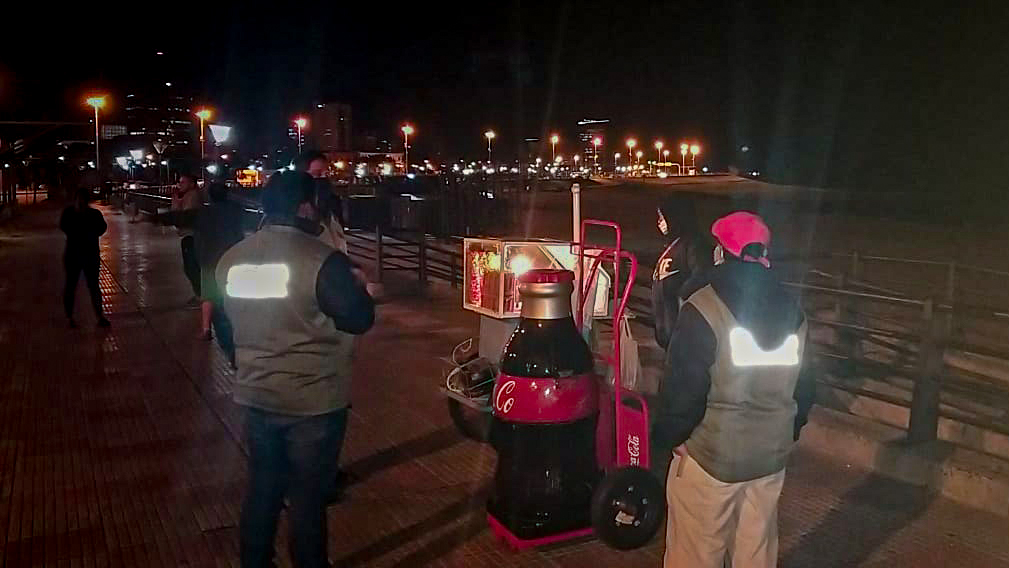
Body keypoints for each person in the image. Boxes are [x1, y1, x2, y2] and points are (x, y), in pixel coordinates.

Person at [217, 170, 374, 568]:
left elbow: (224, 323)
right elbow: (359, 319)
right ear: (306, 207)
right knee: (306, 498)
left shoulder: (232, 259)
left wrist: (245, 362)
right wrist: (359, 286)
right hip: (313, 400)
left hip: (256, 395)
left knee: (263, 489)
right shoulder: (322, 260)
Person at [654, 211, 815, 568]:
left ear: (720, 253)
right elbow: (805, 389)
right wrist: (785, 432)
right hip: (769, 458)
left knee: (695, 554)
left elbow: (683, 390)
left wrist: (670, 437)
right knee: (756, 553)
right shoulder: (794, 311)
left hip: (712, 458)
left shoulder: (703, 307)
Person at [158, 183, 245, 364]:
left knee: (209, 296)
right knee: (234, 295)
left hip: (210, 259)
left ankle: (206, 329)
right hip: (234, 257)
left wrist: (152, 217)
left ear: (210, 197)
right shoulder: (236, 211)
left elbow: (177, 217)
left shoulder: (203, 213)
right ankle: (239, 327)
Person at [651, 196, 710, 350]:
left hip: (683, 332)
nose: (659, 223)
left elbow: (702, 274)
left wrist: (680, 295)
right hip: (669, 332)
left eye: (662, 218)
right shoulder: (673, 245)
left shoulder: (695, 244)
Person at [60, 188, 110, 329]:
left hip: (88, 255)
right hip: (75, 255)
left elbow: (102, 228)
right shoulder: (70, 213)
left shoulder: (92, 214)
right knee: (72, 286)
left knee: (92, 286)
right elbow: (64, 226)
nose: (80, 202)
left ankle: (99, 316)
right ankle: (70, 317)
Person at [297, 150, 347, 253]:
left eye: (326, 174)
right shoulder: (293, 216)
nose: (324, 179)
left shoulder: (332, 211)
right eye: (317, 174)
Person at [171, 173, 203, 307]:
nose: (180, 185)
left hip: (191, 235)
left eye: (183, 182)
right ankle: (200, 294)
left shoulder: (192, 196)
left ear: (191, 184)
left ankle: (201, 295)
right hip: (189, 235)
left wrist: (176, 202)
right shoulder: (185, 196)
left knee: (191, 267)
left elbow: (183, 217)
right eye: (180, 182)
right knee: (191, 267)